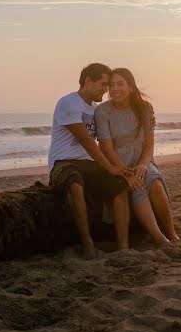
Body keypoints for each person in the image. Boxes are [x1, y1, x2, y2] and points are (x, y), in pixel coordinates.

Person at [47, 62, 144, 258]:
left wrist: (146, 119)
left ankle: (123, 246)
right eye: (103, 84)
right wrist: (111, 166)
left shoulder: (96, 110)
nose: (106, 89)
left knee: (119, 187)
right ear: (88, 82)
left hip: (89, 164)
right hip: (64, 162)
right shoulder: (68, 103)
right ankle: (88, 244)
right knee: (75, 185)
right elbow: (86, 141)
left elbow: (110, 134)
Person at [95, 67, 179, 246]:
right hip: (118, 162)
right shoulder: (103, 112)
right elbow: (106, 148)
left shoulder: (145, 108)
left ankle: (172, 234)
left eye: (120, 84)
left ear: (131, 87)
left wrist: (142, 164)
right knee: (137, 186)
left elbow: (149, 143)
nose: (115, 89)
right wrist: (126, 172)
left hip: (143, 158)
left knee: (153, 180)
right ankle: (159, 238)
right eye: (111, 85)